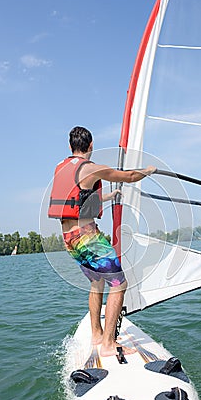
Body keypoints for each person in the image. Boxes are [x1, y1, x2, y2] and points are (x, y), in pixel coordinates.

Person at [48, 126, 156, 357]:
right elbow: (128, 177)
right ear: (91, 146)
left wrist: (109, 196)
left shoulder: (61, 168)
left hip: (70, 240)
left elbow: (82, 201)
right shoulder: (91, 168)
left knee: (97, 283)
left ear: (70, 147)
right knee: (119, 284)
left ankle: (96, 334)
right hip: (88, 238)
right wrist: (148, 170)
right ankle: (108, 343)